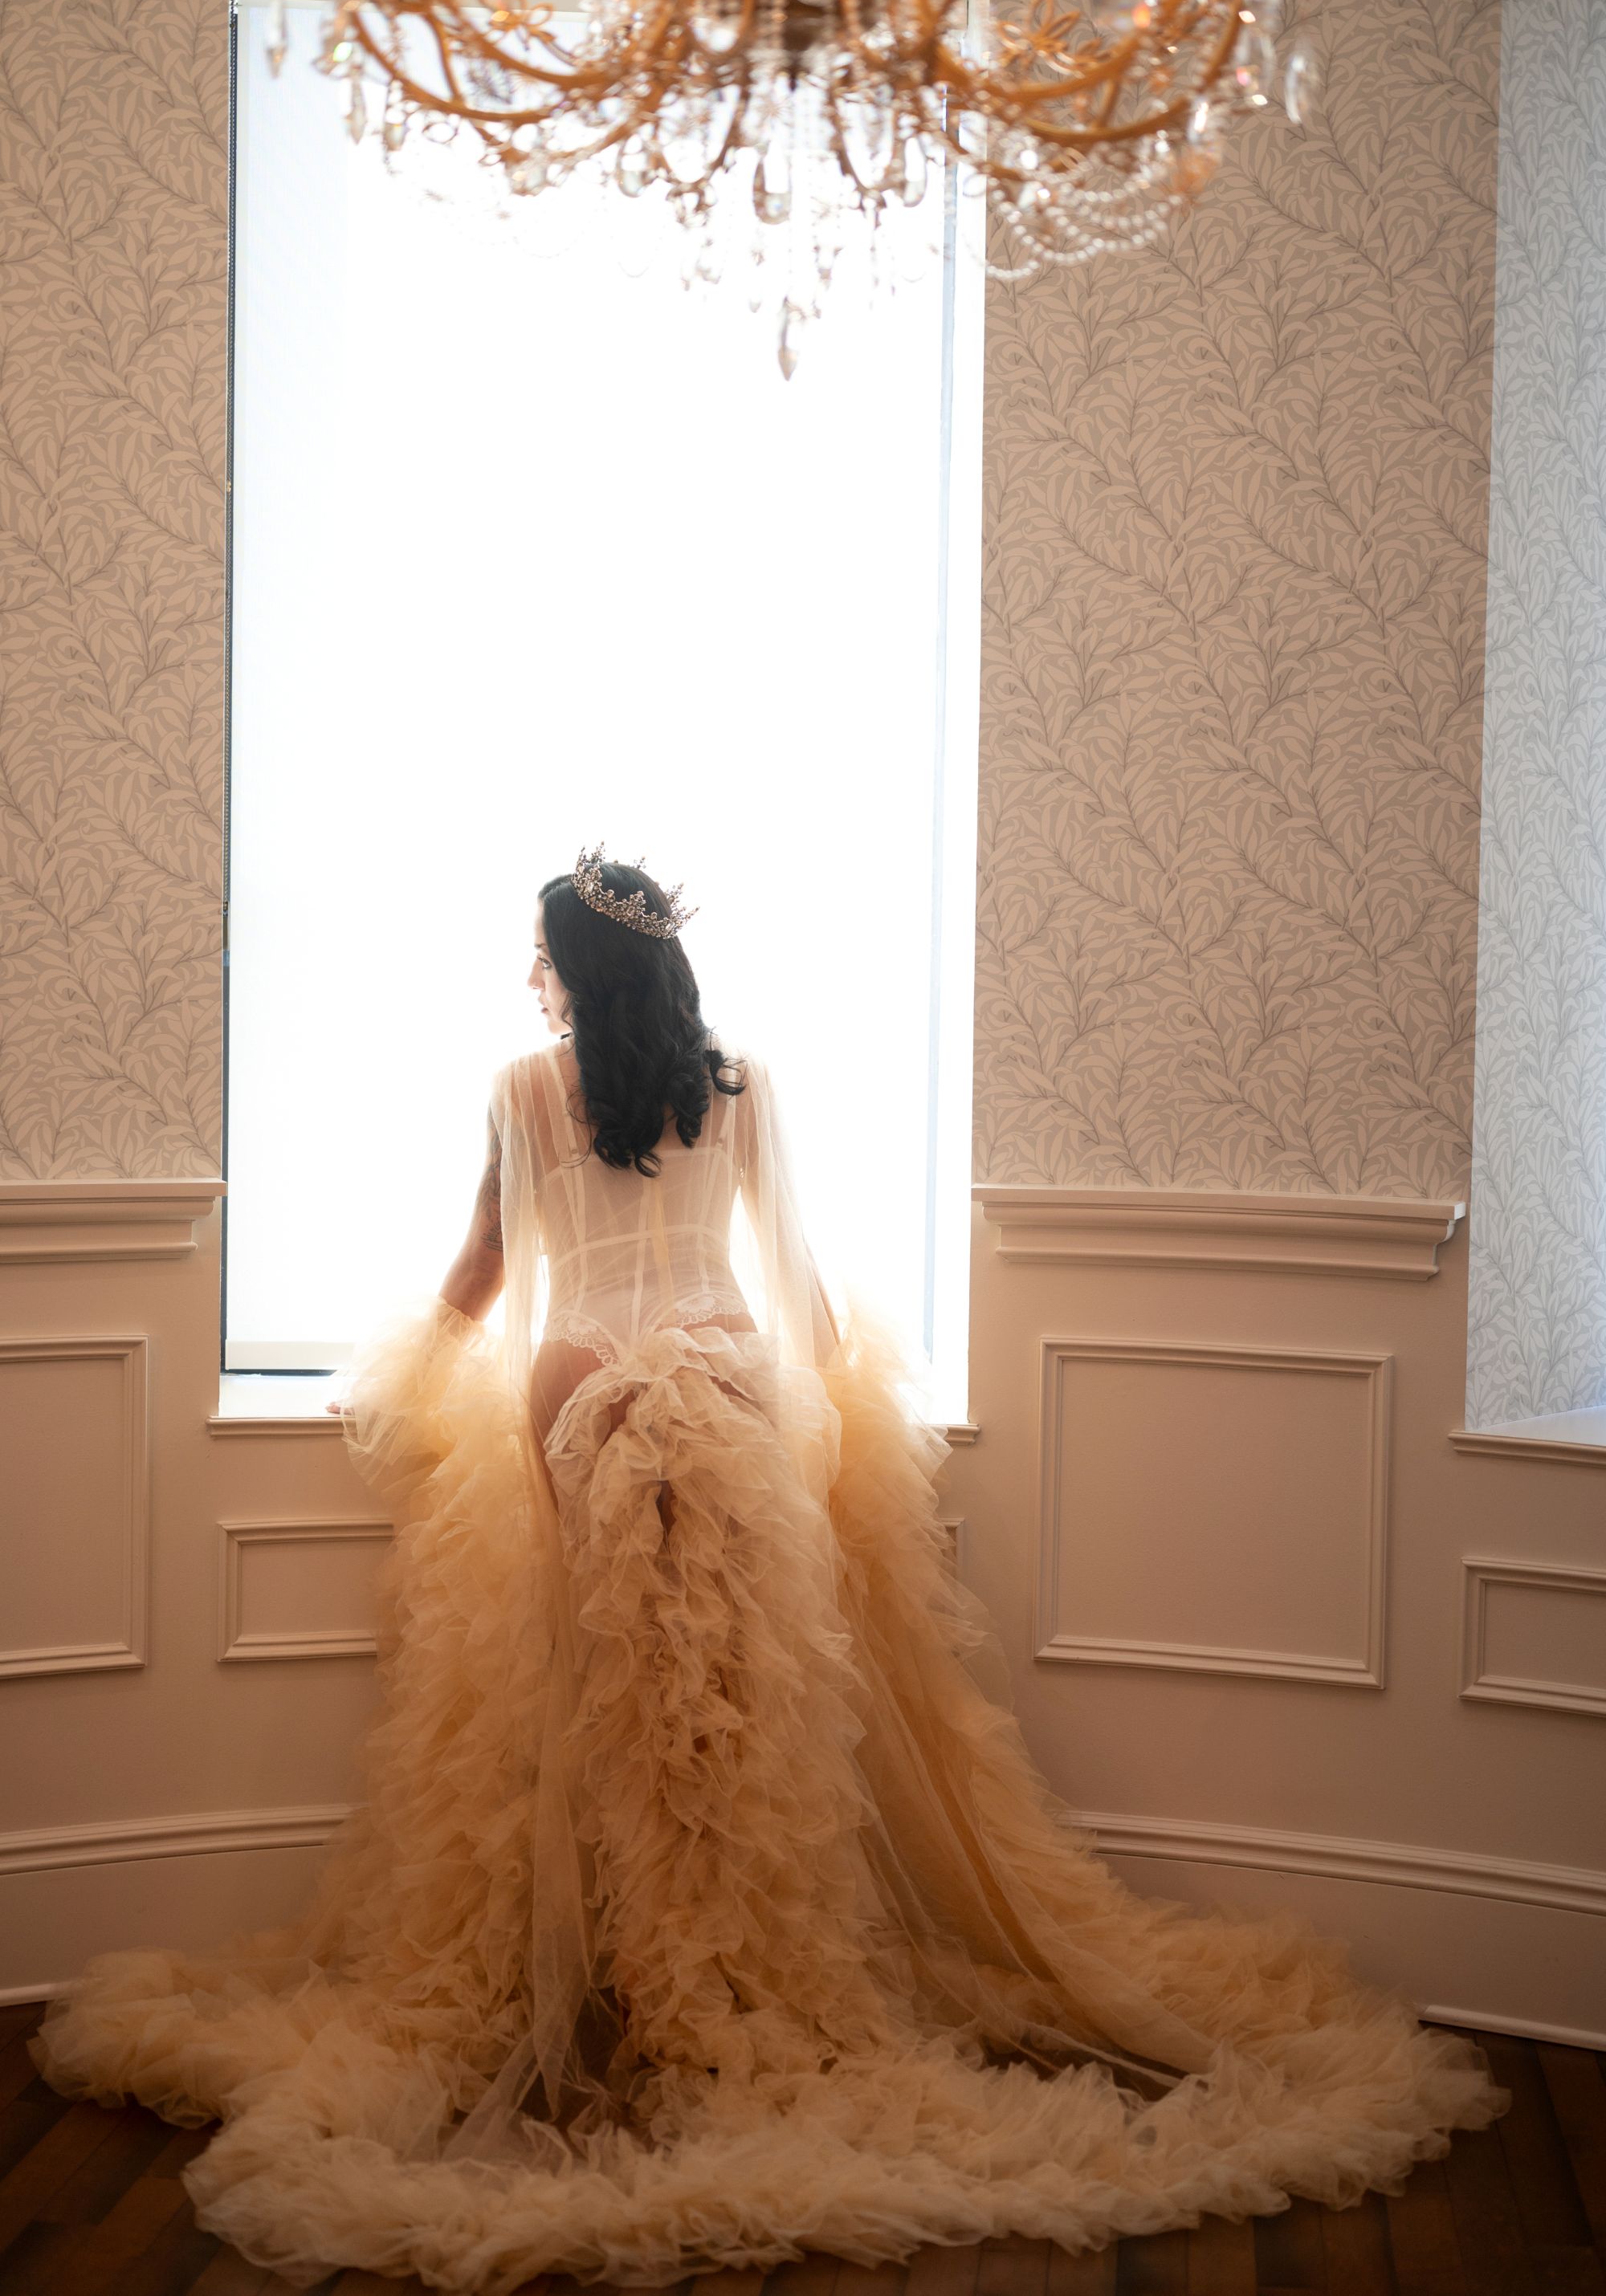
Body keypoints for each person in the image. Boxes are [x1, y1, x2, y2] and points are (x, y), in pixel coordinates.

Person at [34, 850, 1504, 2289]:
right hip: (727, 1372)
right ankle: (722, 1979)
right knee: (726, 1698)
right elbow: (794, 1284)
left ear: (574, 967)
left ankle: (621, 1985)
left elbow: (487, 1265)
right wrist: (850, 1393)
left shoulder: (522, 1086)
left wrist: (412, 1364)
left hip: (576, 1375)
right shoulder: (741, 1084)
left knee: (598, 1690)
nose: (527, 976)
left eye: (539, 952)